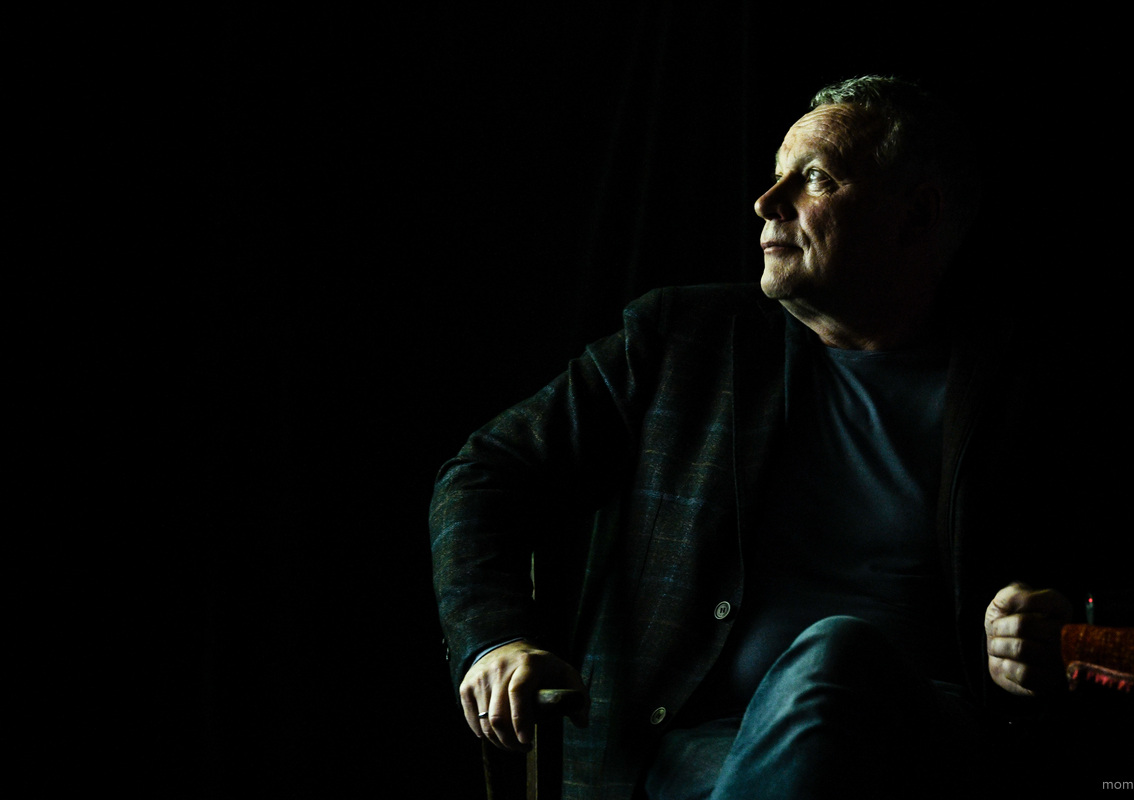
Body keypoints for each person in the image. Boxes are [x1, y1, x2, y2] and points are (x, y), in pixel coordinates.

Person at [430, 75, 1078, 799]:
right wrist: (495, 640)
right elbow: (486, 471)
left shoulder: (1021, 390)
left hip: (921, 747)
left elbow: (1092, 588)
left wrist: (1049, 633)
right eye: (775, 177)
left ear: (916, 216)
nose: (767, 203)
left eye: (814, 179)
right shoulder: (681, 341)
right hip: (688, 748)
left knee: (835, 653)